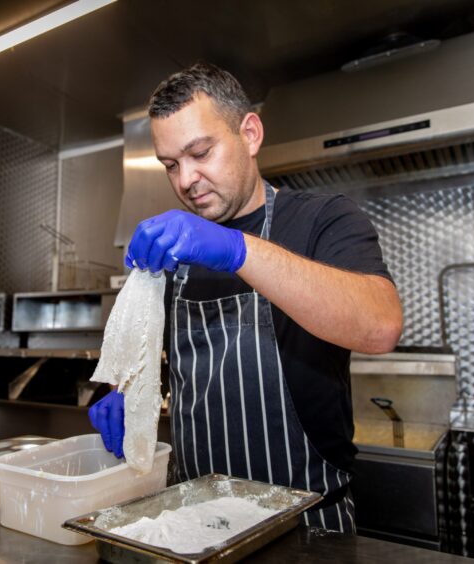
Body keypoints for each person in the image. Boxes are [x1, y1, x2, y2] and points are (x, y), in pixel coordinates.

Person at [89, 62, 403, 533]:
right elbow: (157, 358)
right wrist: (122, 392)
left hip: (308, 524)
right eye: (171, 165)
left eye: (200, 153)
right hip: (193, 520)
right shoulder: (175, 249)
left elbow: (381, 326)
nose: (186, 180)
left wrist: (237, 250)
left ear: (250, 134)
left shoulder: (324, 219)